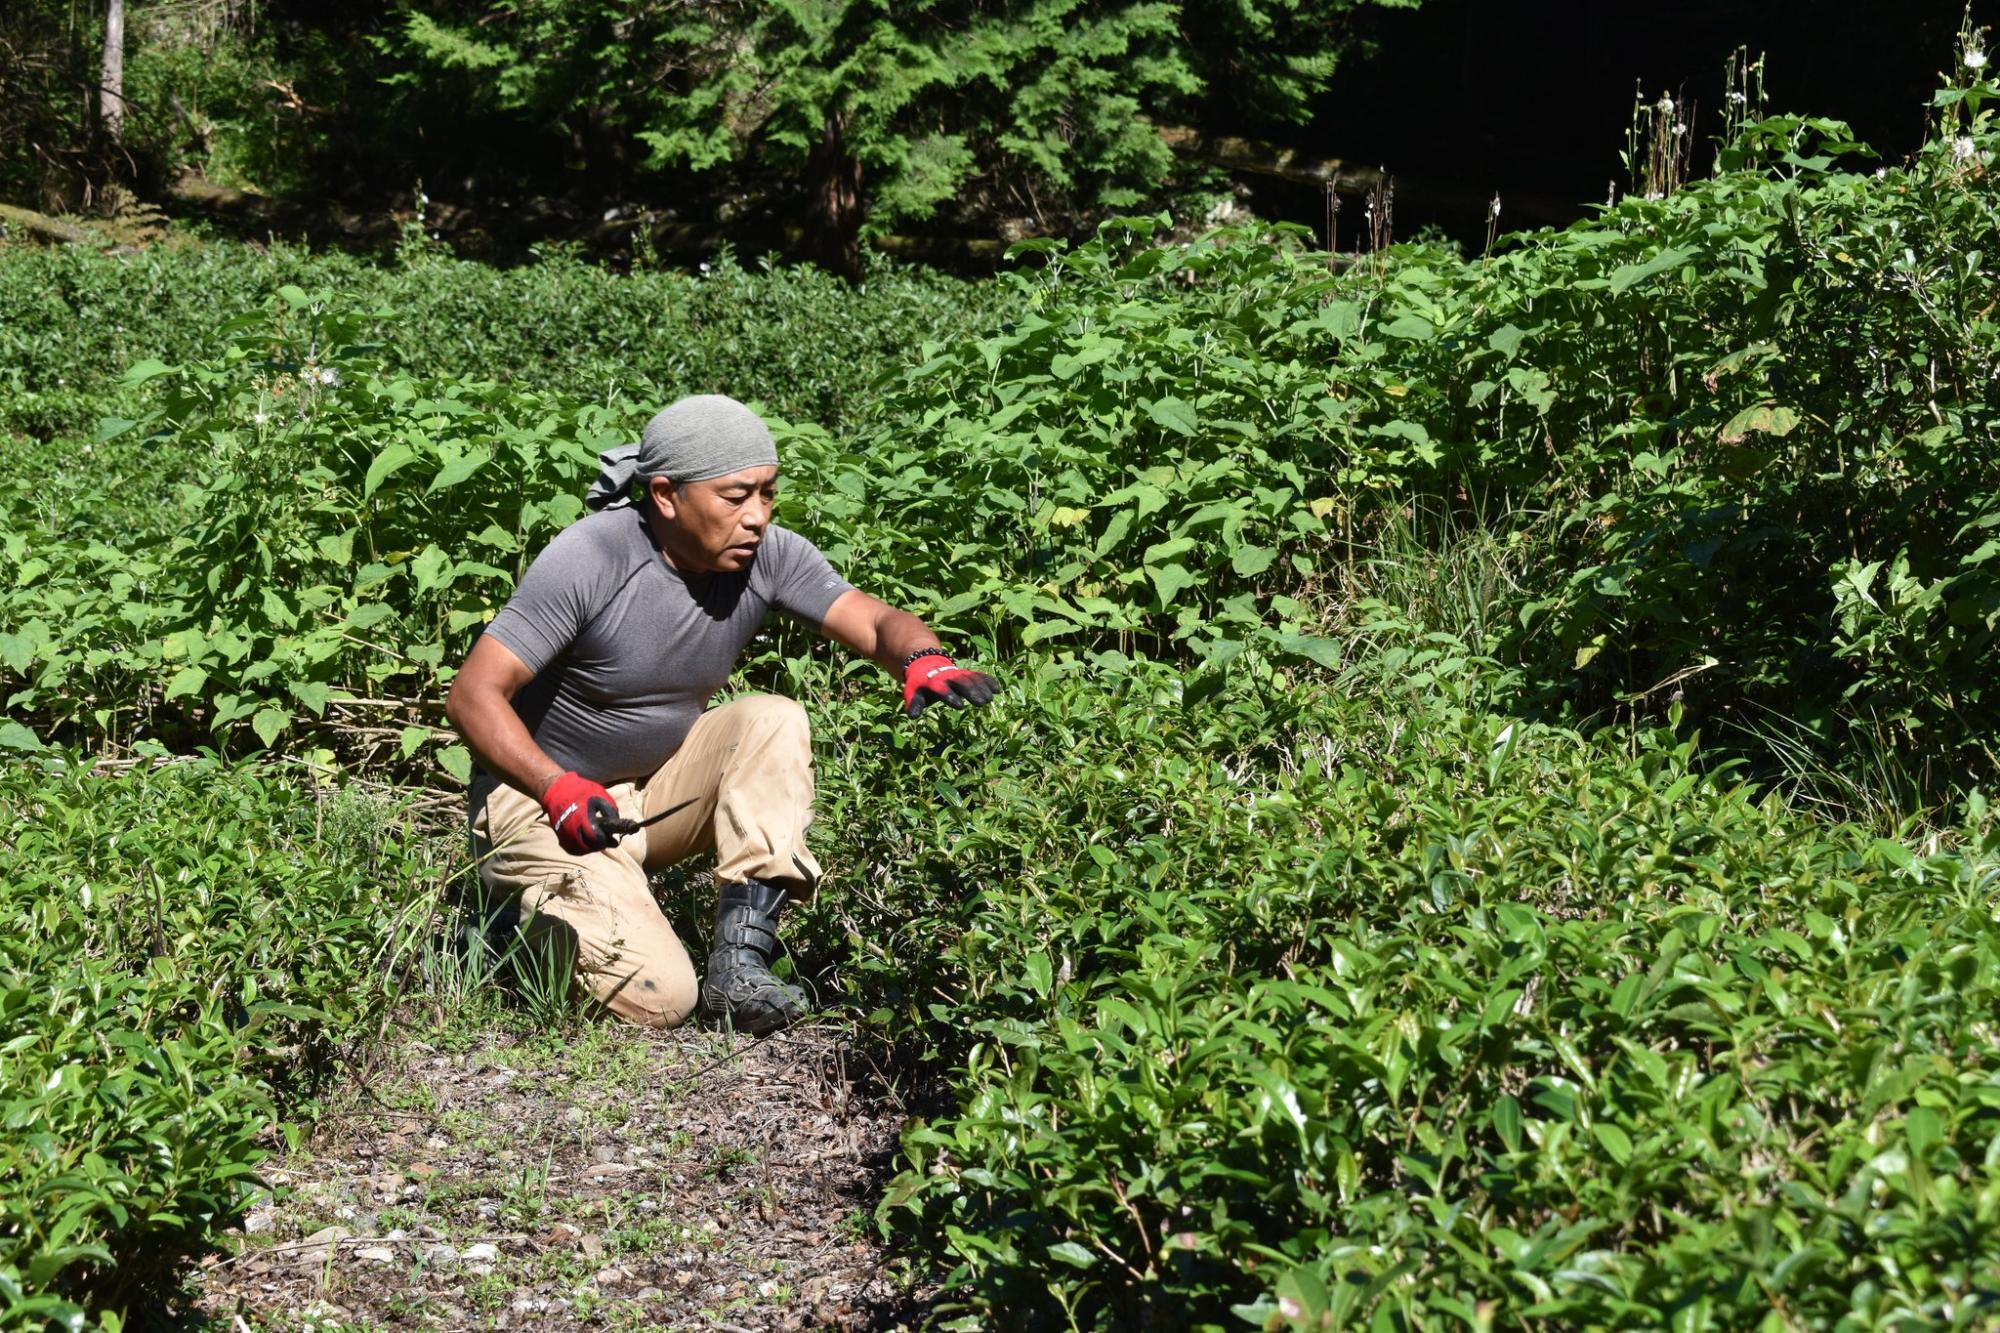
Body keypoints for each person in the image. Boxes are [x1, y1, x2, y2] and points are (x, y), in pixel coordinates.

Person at [444, 394, 996, 1035]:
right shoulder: (594, 556)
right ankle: (498, 936)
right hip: (541, 803)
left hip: (650, 789)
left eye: (767, 493)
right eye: (736, 497)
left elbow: (873, 620)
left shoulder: (768, 557)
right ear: (666, 495)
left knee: (772, 718)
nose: (758, 516)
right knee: (660, 1000)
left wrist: (923, 658)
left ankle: (740, 965)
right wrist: (555, 787)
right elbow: (472, 695)